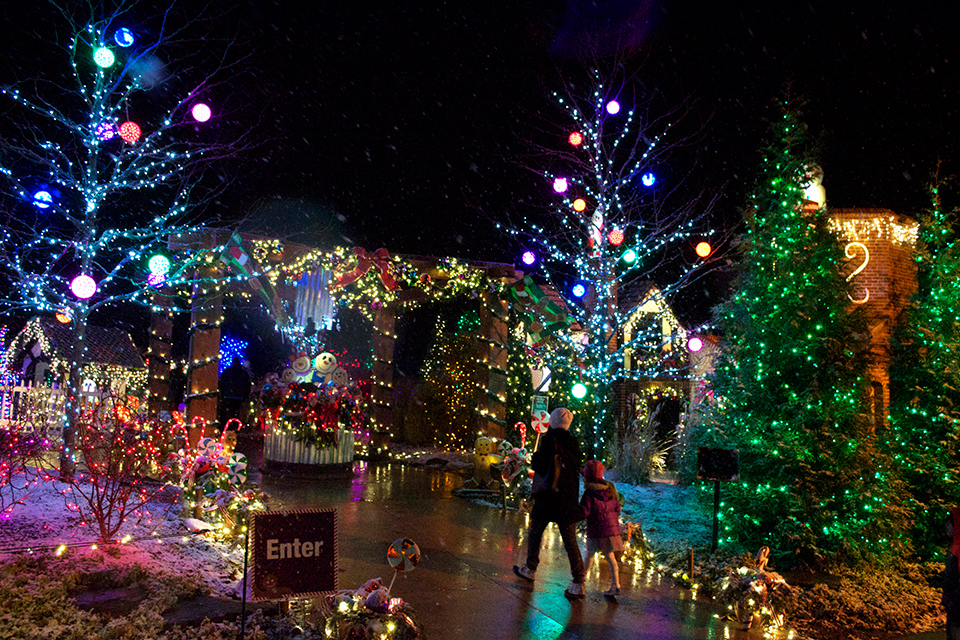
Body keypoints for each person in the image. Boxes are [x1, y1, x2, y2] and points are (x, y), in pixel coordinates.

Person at [513, 407, 586, 599]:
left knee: (535, 532)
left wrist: (536, 458)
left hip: (547, 497)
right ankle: (579, 582)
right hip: (567, 500)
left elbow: (539, 464)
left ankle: (530, 568)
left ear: (552, 422)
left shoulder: (548, 441)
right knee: (570, 542)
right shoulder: (574, 444)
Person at [579, 459, 623, 599]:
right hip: (610, 530)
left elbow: (584, 512)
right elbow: (617, 508)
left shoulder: (590, 493)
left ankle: (580, 581)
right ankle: (615, 585)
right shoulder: (610, 490)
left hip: (596, 530)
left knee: (589, 556)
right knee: (610, 558)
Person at [218, 357, 251, 427]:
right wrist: (245, 396)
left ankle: (227, 425)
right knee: (236, 411)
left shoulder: (227, 371)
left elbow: (221, 383)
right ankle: (236, 425)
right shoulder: (243, 373)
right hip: (239, 396)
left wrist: (223, 393)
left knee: (228, 411)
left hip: (228, 395)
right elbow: (247, 385)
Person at [944, 509, 960, 639]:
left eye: (949, 524)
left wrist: (954, 601)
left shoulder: (958, 549)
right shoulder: (955, 547)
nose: (947, 527)